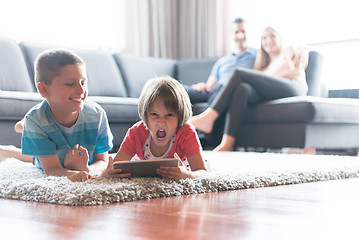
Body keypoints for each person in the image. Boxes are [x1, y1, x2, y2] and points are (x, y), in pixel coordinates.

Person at [0, 49, 122, 182]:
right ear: (44, 90)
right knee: (37, 157)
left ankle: (25, 130)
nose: (81, 90)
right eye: (70, 84)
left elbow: (102, 162)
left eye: (83, 82)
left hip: (56, 141)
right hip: (44, 139)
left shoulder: (97, 115)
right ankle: (17, 138)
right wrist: (72, 173)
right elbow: (52, 169)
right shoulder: (35, 120)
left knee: (39, 145)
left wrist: (85, 169)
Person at [189, 27, 309, 151]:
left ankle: (209, 117)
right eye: (264, 38)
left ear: (280, 38)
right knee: (242, 89)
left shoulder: (287, 51)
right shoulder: (264, 67)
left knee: (239, 73)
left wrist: (298, 50)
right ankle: (228, 142)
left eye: (272, 36)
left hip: (294, 87)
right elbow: (267, 84)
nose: (268, 40)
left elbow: (300, 52)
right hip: (274, 91)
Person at [112, 76, 207, 180]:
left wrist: (186, 175)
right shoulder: (136, 132)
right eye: (154, 114)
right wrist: (109, 173)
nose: (161, 121)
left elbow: (202, 172)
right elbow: (115, 167)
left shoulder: (186, 132)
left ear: (180, 117)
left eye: (169, 115)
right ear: (145, 117)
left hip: (184, 168)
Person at [183, 17, 256, 104]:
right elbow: (209, 86)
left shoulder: (256, 55)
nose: (240, 35)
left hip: (233, 92)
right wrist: (203, 86)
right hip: (215, 91)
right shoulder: (222, 61)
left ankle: (209, 115)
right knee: (176, 89)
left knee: (221, 89)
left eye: (243, 31)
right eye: (236, 32)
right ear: (231, 35)